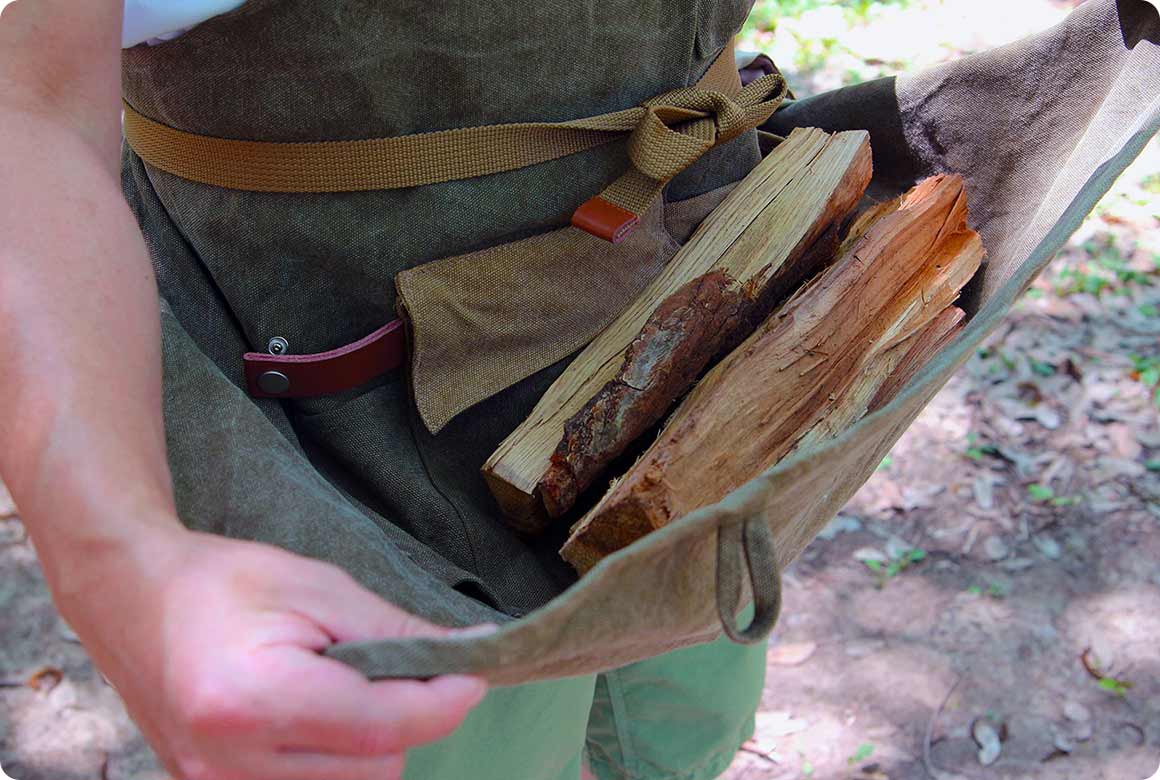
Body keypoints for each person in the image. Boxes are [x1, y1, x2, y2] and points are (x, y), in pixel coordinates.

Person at [0, 1, 769, 779]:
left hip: (707, 278)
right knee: (474, 747)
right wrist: (117, 564)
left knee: (691, 697)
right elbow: (26, 108)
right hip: (362, 424)